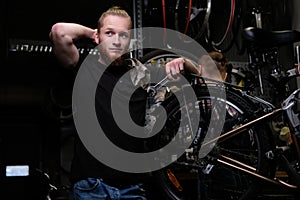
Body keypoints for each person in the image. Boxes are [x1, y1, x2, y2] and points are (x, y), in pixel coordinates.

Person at [49, 6, 196, 200]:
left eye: (123, 35)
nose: (116, 41)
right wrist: (92, 32)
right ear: (97, 36)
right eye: (109, 33)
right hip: (91, 188)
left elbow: (199, 73)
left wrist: (183, 62)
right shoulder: (83, 69)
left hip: (132, 189)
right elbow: (59, 31)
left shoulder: (142, 75)